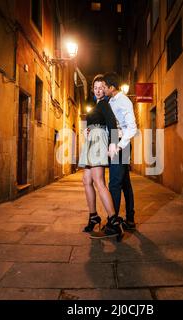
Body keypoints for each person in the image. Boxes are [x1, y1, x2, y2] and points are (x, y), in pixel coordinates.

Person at [78, 75, 122, 238]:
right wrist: (86, 129)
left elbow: (111, 123)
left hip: (99, 141)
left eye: (101, 87)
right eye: (95, 87)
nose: (98, 90)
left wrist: (113, 143)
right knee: (86, 181)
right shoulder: (96, 104)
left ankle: (114, 221)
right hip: (92, 139)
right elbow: (93, 123)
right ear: (93, 89)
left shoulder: (104, 103)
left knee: (99, 181)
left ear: (105, 89)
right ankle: (93, 216)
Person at [102, 72, 138, 231]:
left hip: (120, 143)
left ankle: (113, 222)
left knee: (114, 184)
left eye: (104, 87)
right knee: (124, 183)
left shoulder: (123, 100)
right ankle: (129, 220)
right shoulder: (111, 100)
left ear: (111, 87)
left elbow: (132, 128)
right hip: (116, 141)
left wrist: (119, 145)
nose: (102, 90)